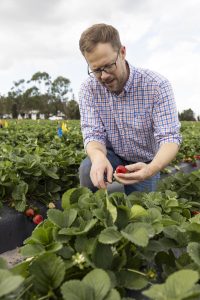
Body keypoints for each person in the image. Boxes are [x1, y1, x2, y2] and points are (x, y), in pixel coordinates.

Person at [78, 23, 182, 195]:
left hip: (145, 161)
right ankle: (94, 215)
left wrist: (151, 169)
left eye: (108, 66)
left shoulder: (156, 85)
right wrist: (98, 157)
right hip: (111, 154)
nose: (103, 76)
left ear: (122, 52)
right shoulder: (89, 89)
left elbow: (170, 138)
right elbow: (93, 133)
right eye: (96, 70)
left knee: (142, 213)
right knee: (87, 168)